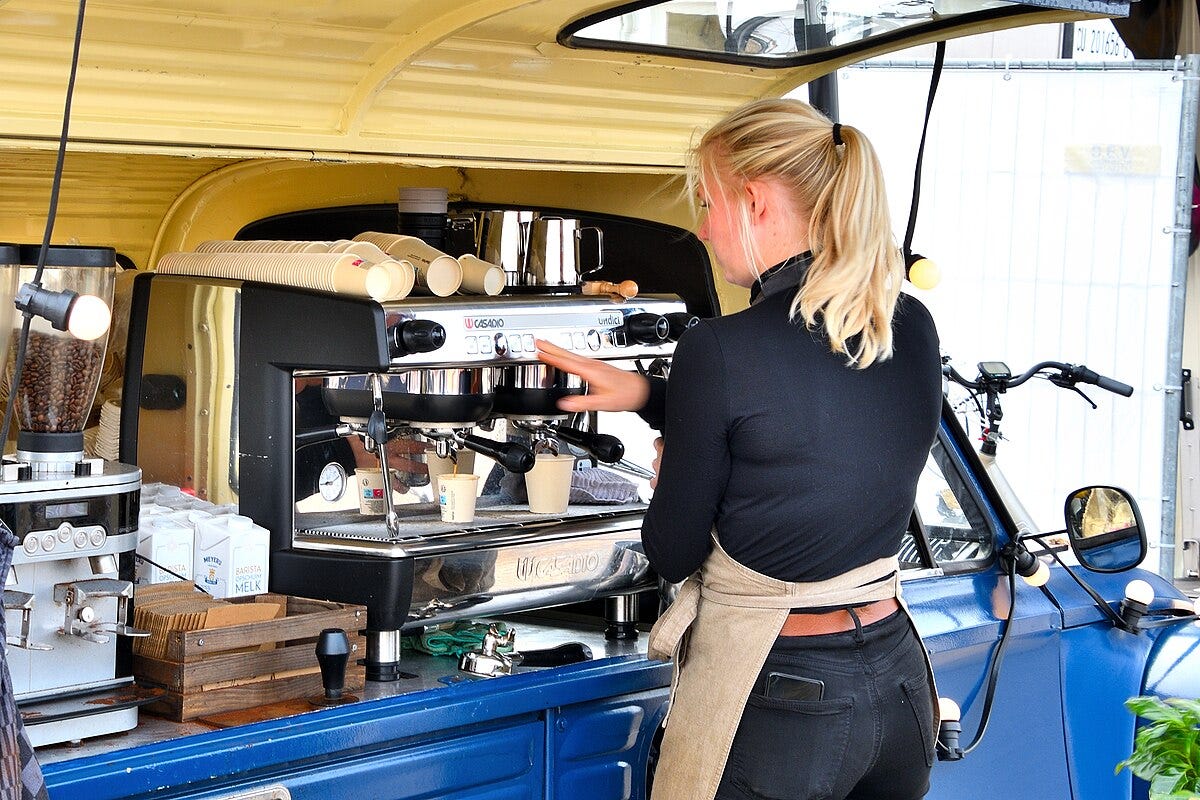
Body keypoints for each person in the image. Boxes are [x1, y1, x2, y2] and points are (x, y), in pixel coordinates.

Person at [537, 98, 942, 800]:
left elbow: (672, 551)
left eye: (708, 202)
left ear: (754, 201)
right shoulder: (909, 323)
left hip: (786, 703)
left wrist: (676, 466)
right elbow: (811, 418)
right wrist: (651, 395)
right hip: (898, 687)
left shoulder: (719, 349)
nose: (702, 227)